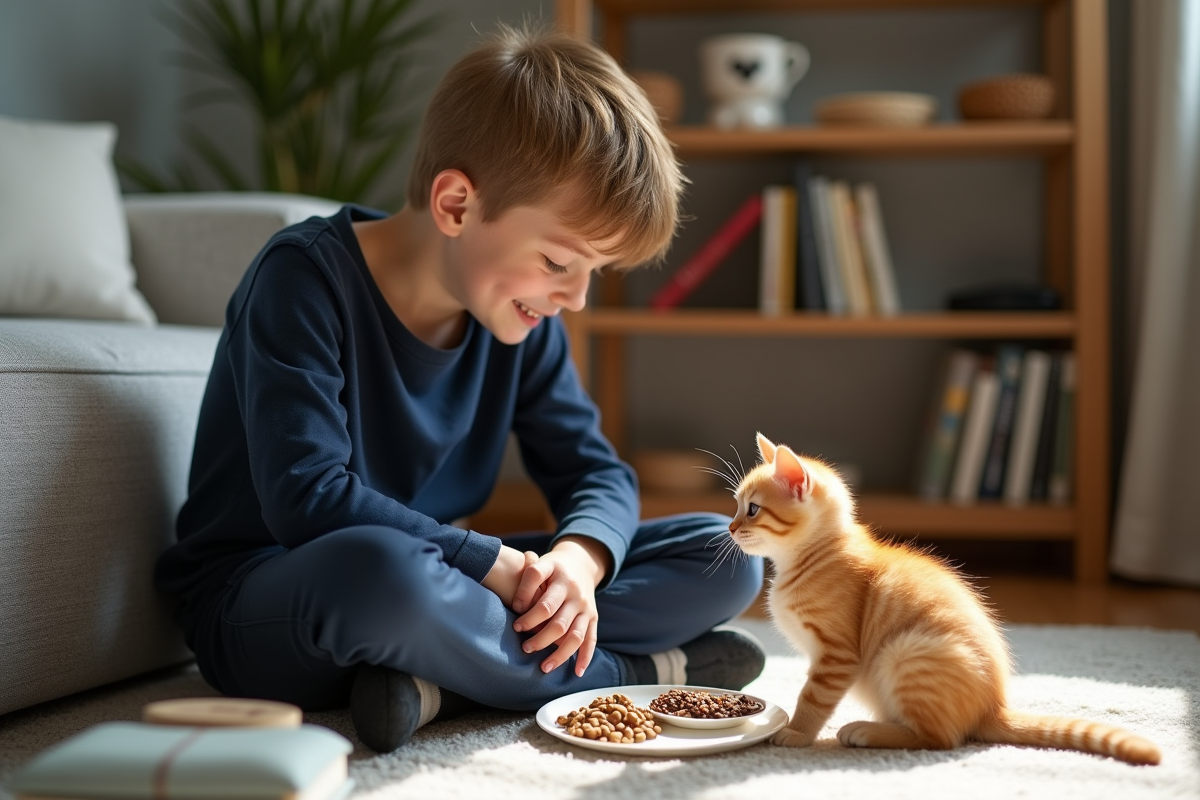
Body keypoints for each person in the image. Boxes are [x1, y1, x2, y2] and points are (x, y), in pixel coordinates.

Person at [154, 23, 765, 753]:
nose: (574, 298)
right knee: (383, 575)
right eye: (557, 261)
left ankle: (432, 683)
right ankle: (642, 669)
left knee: (726, 554)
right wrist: (495, 566)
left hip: (440, 587)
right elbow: (309, 498)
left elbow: (595, 471)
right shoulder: (303, 278)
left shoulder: (516, 320)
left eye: (594, 273)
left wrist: (578, 562)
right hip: (279, 595)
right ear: (455, 205)